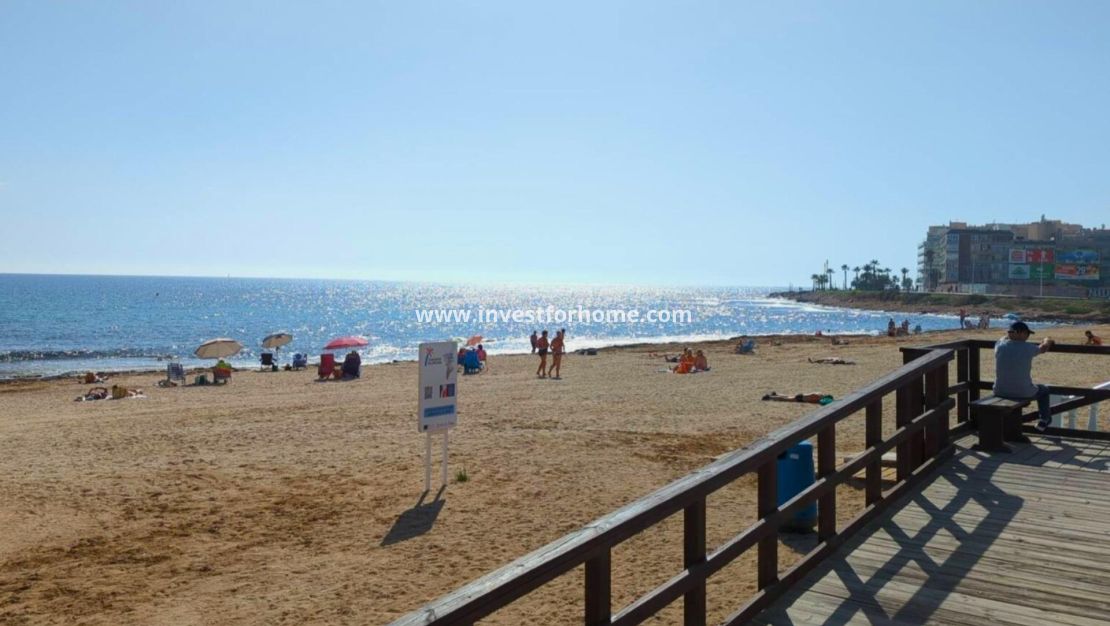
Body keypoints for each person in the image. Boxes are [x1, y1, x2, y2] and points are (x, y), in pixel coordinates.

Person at [994, 321, 1055, 432]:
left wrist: (1009, 334)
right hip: (1023, 391)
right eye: (1027, 333)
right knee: (1044, 390)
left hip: (1000, 390)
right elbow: (1043, 348)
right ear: (1020, 333)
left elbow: (1001, 339)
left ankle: (1010, 431)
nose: (1028, 336)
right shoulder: (1028, 348)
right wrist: (1047, 340)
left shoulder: (1000, 346)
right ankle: (1044, 419)